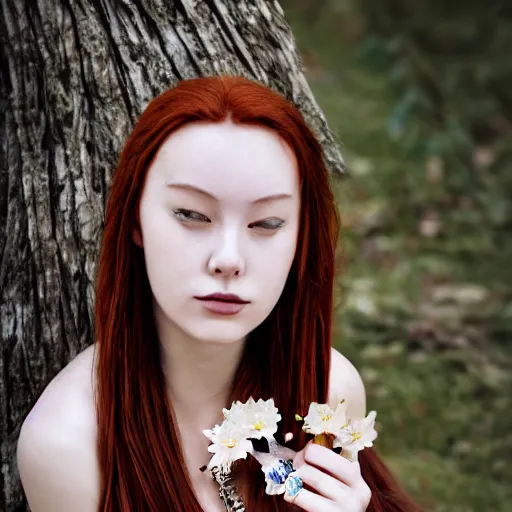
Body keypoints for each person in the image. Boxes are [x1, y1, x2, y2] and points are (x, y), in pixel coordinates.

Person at [17, 75, 420, 511]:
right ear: (135, 220)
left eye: (266, 223)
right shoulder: (68, 445)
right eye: (191, 214)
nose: (228, 259)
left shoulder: (327, 389)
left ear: (302, 237)